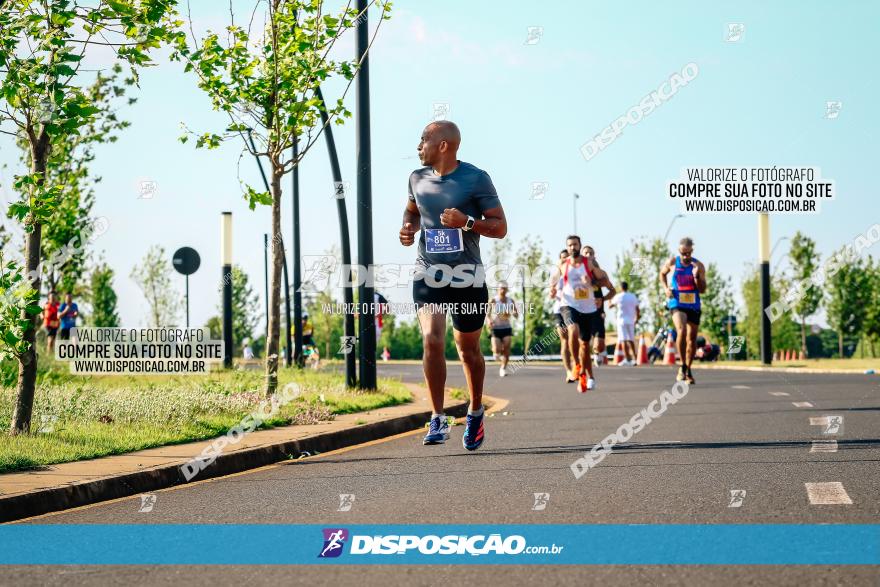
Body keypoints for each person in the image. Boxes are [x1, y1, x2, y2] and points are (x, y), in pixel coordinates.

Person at [399, 120, 507, 450]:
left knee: (467, 349)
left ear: (443, 145)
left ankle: (475, 411)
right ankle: (436, 416)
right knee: (432, 339)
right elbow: (412, 212)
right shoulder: (416, 178)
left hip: (467, 277)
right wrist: (407, 227)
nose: (418, 146)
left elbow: (500, 227)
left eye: (423, 140)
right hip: (428, 273)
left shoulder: (476, 178)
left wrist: (468, 222)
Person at [549, 235, 597, 392]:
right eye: (569, 246)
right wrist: (553, 288)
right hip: (566, 306)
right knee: (570, 332)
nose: (572, 248)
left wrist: (590, 283)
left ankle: (587, 374)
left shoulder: (588, 263)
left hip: (587, 307)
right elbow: (553, 282)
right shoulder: (562, 266)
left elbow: (600, 281)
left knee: (585, 345)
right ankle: (574, 367)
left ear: (579, 245)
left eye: (575, 245)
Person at [660, 237, 707, 384]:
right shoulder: (673, 262)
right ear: (679, 251)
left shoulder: (699, 265)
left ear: (692, 251)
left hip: (693, 304)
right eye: (683, 253)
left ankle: (687, 368)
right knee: (681, 331)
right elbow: (662, 274)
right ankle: (682, 365)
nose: (686, 256)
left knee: (691, 339)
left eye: (688, 253)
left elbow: (703, 290)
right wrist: (666, 288)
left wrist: (697, 276)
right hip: (676, 301)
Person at [582, 245, 617, 366]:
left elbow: (613, 291)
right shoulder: (578, 272)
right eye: (585, 253)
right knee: (583, 340)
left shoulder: (601, 273)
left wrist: (603, 299)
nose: (588, 255)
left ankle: (596, 353)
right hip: (582, 310)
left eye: (590, 253)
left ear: (594, 255)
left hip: (597, 311)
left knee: (599, 345)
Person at [550, 249, 575, 382]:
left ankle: (577, 364)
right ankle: (569, 371)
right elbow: (551, 293)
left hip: (575, 309)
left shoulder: (576, 271)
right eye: (562, 258)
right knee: (564, 340)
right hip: (560, 310)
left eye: (567, 257)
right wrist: (552, 292)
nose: (565, 260)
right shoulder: (556, 275)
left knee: (576, 338)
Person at [486, 281, 518, 377]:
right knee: (497, 349)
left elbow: (516, 314)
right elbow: (487, 314)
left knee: (507, 349)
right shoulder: (493, 300)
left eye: (505, 288)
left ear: (507, 289)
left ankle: (503, 368)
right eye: (501, 288)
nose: (503, 290)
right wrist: (489, 321)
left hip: (506, 327)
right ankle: (495, 352)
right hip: (496, 327)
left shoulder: (510, 301)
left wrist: (513, 313)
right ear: (498, 289)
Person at [609, 281, 640, 365]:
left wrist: (609, 298)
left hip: (621, 321)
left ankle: (628, 359)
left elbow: (610, 306)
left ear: (621, 288)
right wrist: (636, 318)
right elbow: (637, 308)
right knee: (631, 339)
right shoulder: (632, 296)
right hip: (631, 321)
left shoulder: (618, 296)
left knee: (623, 339)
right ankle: (635, 358)